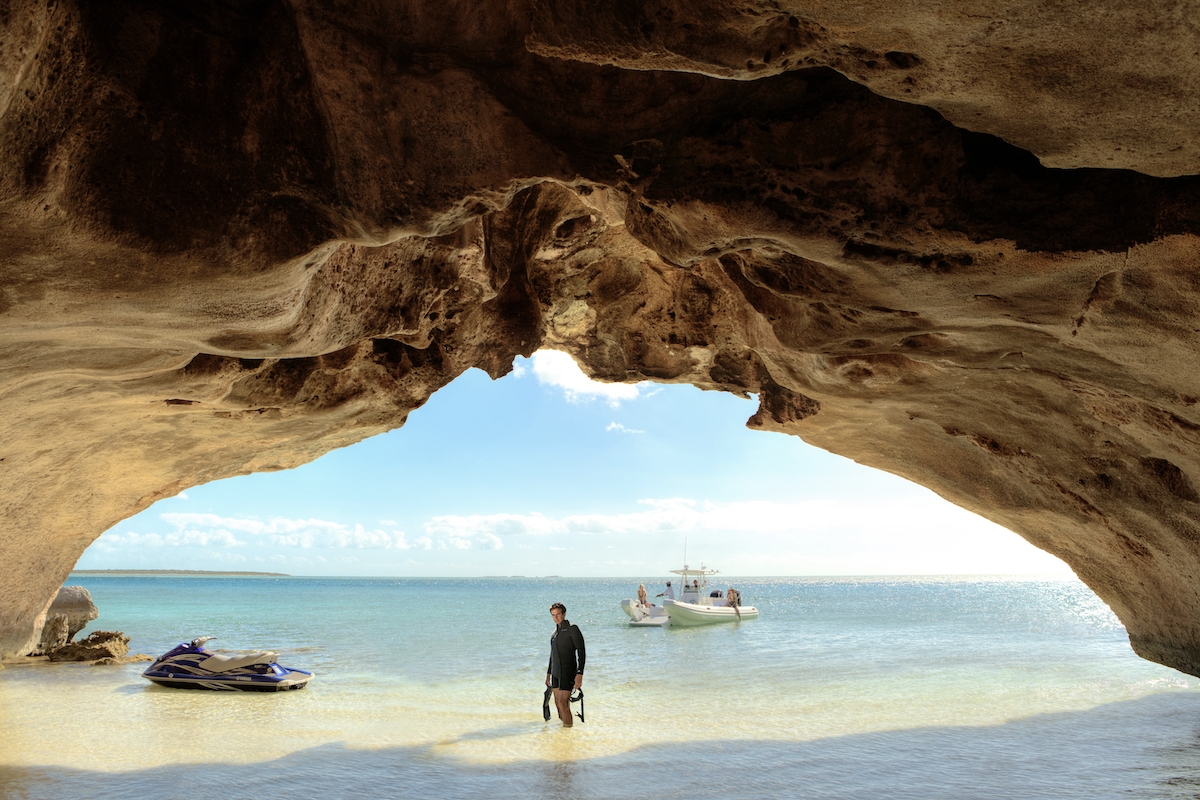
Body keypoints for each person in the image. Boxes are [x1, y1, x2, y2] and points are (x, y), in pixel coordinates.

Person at [545, 602, 585, 727]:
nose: (555, 617)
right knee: (558, 704)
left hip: (567, 672)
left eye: (558, 614)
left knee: (563, 703)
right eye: (553, 615)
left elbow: (581, 651)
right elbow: (553, 655)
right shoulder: (554, 634)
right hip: (556, 673)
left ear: (564, 614)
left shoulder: (572, 629)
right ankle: (565, 734)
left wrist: (579, 673)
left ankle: (569, 731)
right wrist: (548, 673)